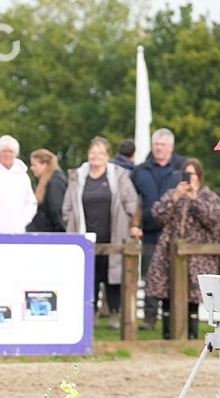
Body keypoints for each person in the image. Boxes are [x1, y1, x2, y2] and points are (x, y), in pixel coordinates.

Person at [62, 136, 140, 329]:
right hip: (85, 237)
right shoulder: (78, 176)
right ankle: (91, 313)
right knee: (90, 276)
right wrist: (70, 222)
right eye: (92, 152)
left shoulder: (118, 175)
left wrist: (131, 222)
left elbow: (131, 201)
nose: (96, 156)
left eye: (100, 152)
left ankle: (114, 313)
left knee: (113, 276)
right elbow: (67, 206)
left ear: (108, 156)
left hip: (113, 233)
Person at [142, 159, 220, 340]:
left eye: (191, 174)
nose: (188, 178)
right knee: (167, 295)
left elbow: (214, 220)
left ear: (199, 176)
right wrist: (175, 198)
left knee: (193, 298)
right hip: (169, 254)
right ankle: (168, 335)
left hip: (198, 256)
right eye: (185, 174)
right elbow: (157, 215)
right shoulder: (172, 194)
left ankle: (191, 336)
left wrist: (195, 200)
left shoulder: (208, 196)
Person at [131, 128, 188, 330]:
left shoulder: (182, 167)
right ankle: (149, 317)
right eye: (156, 144)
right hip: (150, 232)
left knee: (175, 275)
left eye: (163, 144)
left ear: (171, 147)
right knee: (150, 276)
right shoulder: (140, 170)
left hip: (175, 233)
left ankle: (173, 317)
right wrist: (134, 224)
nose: (159, 148)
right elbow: (134, 201)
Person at [0, 135, 37, 233]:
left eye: (10, 151)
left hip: (18, 230)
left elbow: (31, 202)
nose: (7, 154)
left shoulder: (22, 176)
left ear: (15, 153)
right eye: (4, 151)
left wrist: (22, 221)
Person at [26, 149, 67, 232]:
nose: (31, 168)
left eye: (34, 165)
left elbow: (56, 208)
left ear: (44, 164)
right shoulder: (45, 181)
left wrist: (61, 231)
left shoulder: (56, 181)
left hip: (48, 231)